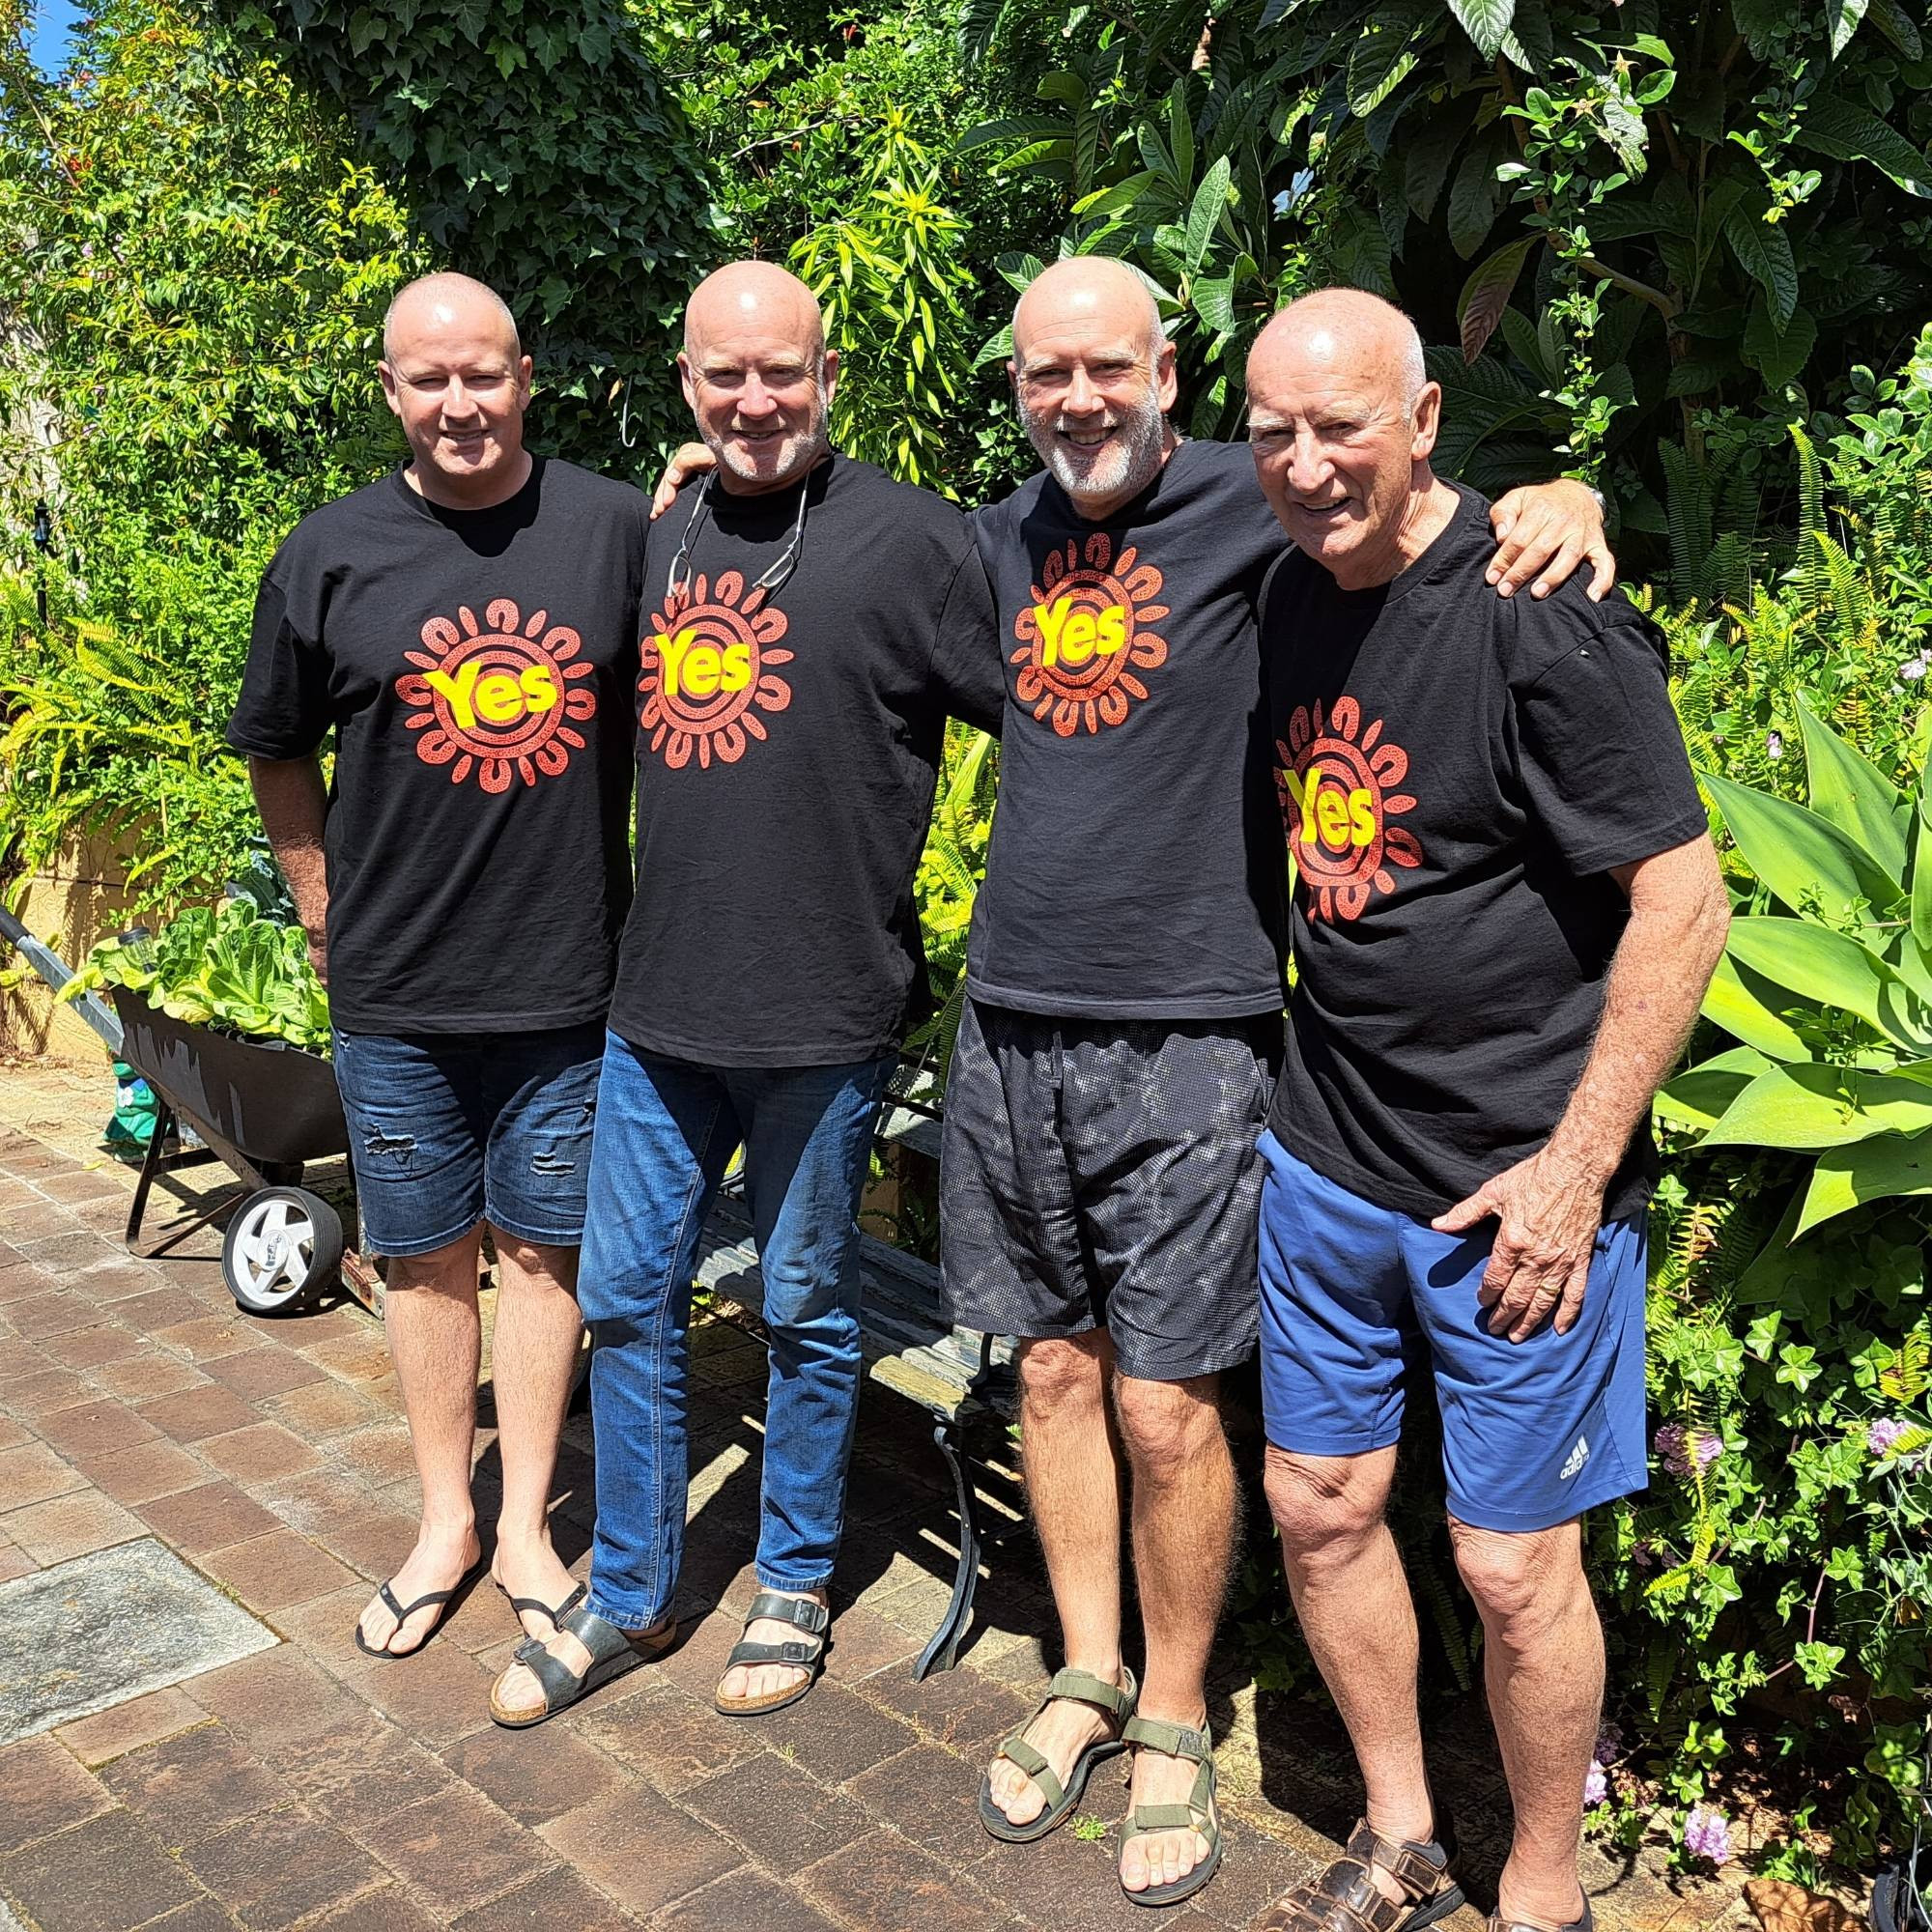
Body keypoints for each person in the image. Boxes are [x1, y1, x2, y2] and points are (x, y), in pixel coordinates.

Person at [650, 256, 1612, 1909]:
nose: (1078, 401)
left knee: (1174, 1406)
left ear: (1167, 372)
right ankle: (1087, 1671)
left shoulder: (1264, 497)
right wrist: (699, 489)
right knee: (1050, 1377)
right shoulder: (993, 537)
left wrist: (1568, 490)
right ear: (1015, 390)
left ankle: (1176, 1713)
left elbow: (1409, 498)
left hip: (1196, 1027)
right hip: (1011, 1017)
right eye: (1045, 377)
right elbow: (840, 572)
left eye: (1108, 368)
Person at [1242, 290, 1728, 1932]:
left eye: (1345, 427)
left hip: (1514, 1191)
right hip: (1327, 1165)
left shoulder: (1542, 612)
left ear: (1429, 421)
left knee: (1517, 1572)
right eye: (1276, 432)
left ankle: (1545, 1890)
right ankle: (1401, 1833)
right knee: (1319, 1508)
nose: (1308, 465)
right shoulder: (1287, 593)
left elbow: (1684, 904)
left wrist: (1575, 1171)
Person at [485, 261, 1008, 1728]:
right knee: (629, 1302)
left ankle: (790, 1586)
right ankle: (637, 1591)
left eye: (782, 371)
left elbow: (1059, 704)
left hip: (830, 1018)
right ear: (689, 384)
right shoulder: (662, 532)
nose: (756, 398)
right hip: (658, 1012)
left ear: (828, 371)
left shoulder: (917, 542)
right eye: (727, 375)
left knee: (804, 1310)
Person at [226, 271, 647, 1664]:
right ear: (393, 390)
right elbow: (273, 741)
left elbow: (727, 621)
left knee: (541, 1256)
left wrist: (716, 471)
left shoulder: (611, 527)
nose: (459, 404)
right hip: (396, 988)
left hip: (569, 980)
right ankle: (441, 1522)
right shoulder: (331, 549)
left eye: (484, 375)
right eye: (429, 380)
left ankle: (525, 1520)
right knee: (421, 1262)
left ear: (526, 376)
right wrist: (315, 902)